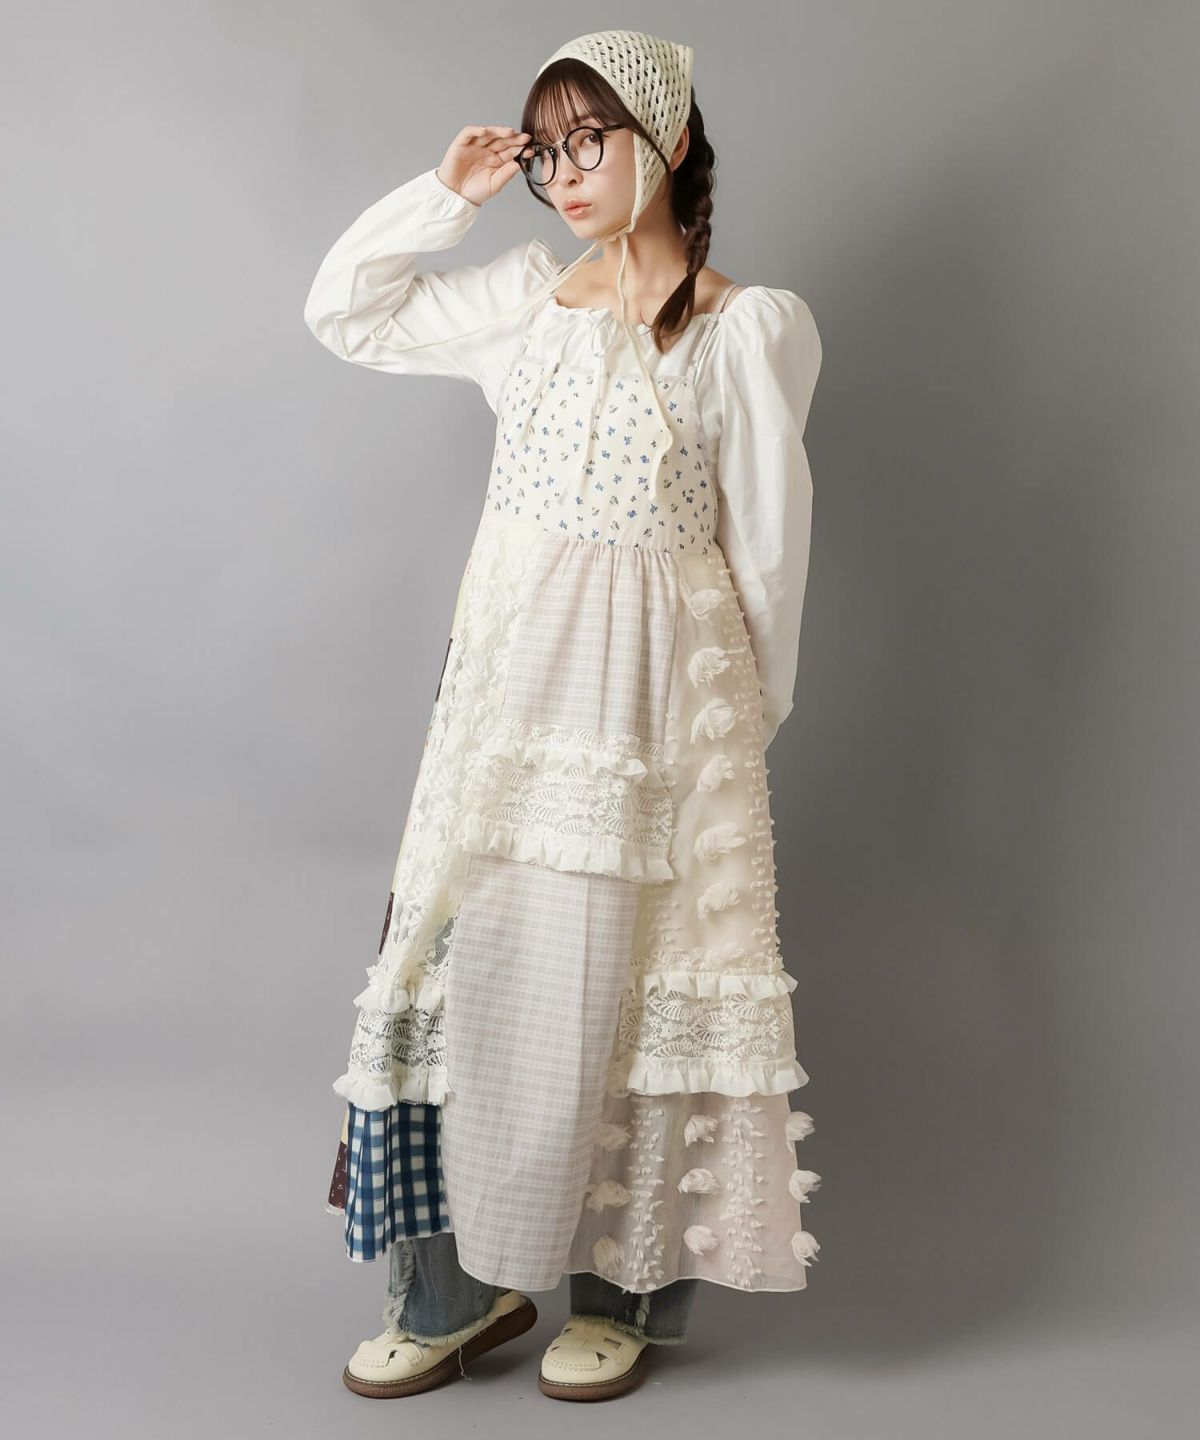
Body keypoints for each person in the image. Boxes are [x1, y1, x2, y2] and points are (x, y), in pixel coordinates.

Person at [303, 28, 823, 1403]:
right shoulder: (527, 301)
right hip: (505, 705)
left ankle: (624, 1294)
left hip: (658, 714)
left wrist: (733, 737)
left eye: (590, 139)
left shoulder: (742, 329)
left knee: (628, 983)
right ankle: (451, 1290)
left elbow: (769, 558)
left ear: (669, 141)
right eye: (546, 152)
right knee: (456, 966)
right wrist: (449, 195)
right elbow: (345, 312)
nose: (565, 173)